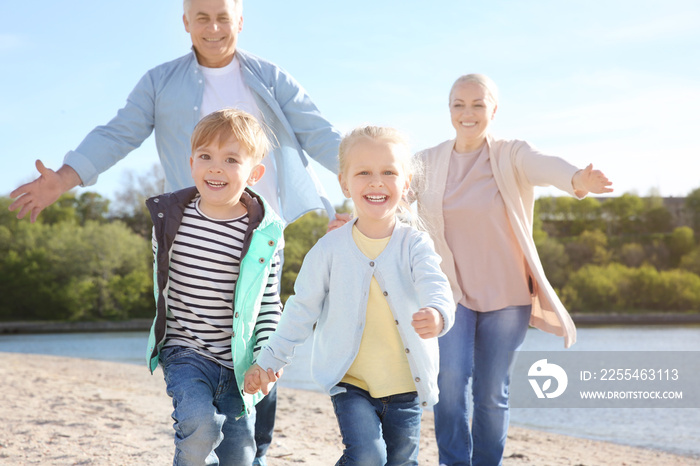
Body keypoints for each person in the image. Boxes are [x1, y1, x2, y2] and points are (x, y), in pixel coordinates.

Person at [8, 0, 342, 461]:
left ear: (240, 22)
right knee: (197, 326)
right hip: (192, 230)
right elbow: (118, 132)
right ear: (185, 23)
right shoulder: (160, 81)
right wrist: (65, 178)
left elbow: (319, 132)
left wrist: (370, 180)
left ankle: (255, 451)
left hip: (261, 233)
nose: (213, 26)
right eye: (201, 16)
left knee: (258, 330)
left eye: (223, 16)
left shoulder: (270, 77)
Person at [413, 74, 614, 466]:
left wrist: (577, 178)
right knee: (449, 385)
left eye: (477, 104)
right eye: (458, 104)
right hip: (449, 297)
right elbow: (391, 194)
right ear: (449, 109)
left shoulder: (511, 154)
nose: (467, 113)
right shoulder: (427, 162)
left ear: (494, 109)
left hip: (506, 297)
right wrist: (353, 217)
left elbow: (545, 166)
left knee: (491, 392)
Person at [244, 126, 456, 465]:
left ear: (407, 182)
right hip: (350, 382)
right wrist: (268, 361)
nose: (376, 181)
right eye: (364, 173)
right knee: (367, 456)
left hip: (406, 385)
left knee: (401, 461)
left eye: (389, 172)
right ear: (344, 182)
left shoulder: (414, 244)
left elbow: (436, 284)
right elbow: (301, 311)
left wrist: (438, 312)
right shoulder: (328, 250)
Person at [146, 108, 284, 465]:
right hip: (185, 351)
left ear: (254, 173)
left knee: (239, 454)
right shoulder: (170, 219)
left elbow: (268, 304)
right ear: (191, 162)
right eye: (205, 156)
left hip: (239, 364)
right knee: (199, 427)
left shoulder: (266, 234)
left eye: (231, 159)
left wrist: (265, 360)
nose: (216, 167)